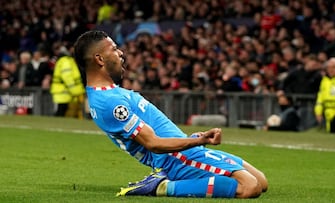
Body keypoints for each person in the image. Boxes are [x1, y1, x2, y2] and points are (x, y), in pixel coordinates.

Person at [74, 30, 268, 199]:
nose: (121, 53)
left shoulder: (109, 94)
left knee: (261, 181)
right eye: (114, 49)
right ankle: (161, 187)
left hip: (182, 148)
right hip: (175, 157)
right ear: (99, 59)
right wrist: (198, 142)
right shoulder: (109, 102)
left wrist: (191, 140)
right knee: (249, 187)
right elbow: (154, 144)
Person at [50, 45, 85, 118]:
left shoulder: (66, 60)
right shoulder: (66, 61)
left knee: (64, 113)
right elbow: (67, 78)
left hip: (66, 93)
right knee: (61, 112)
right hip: (64, 93)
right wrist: (76, 91)